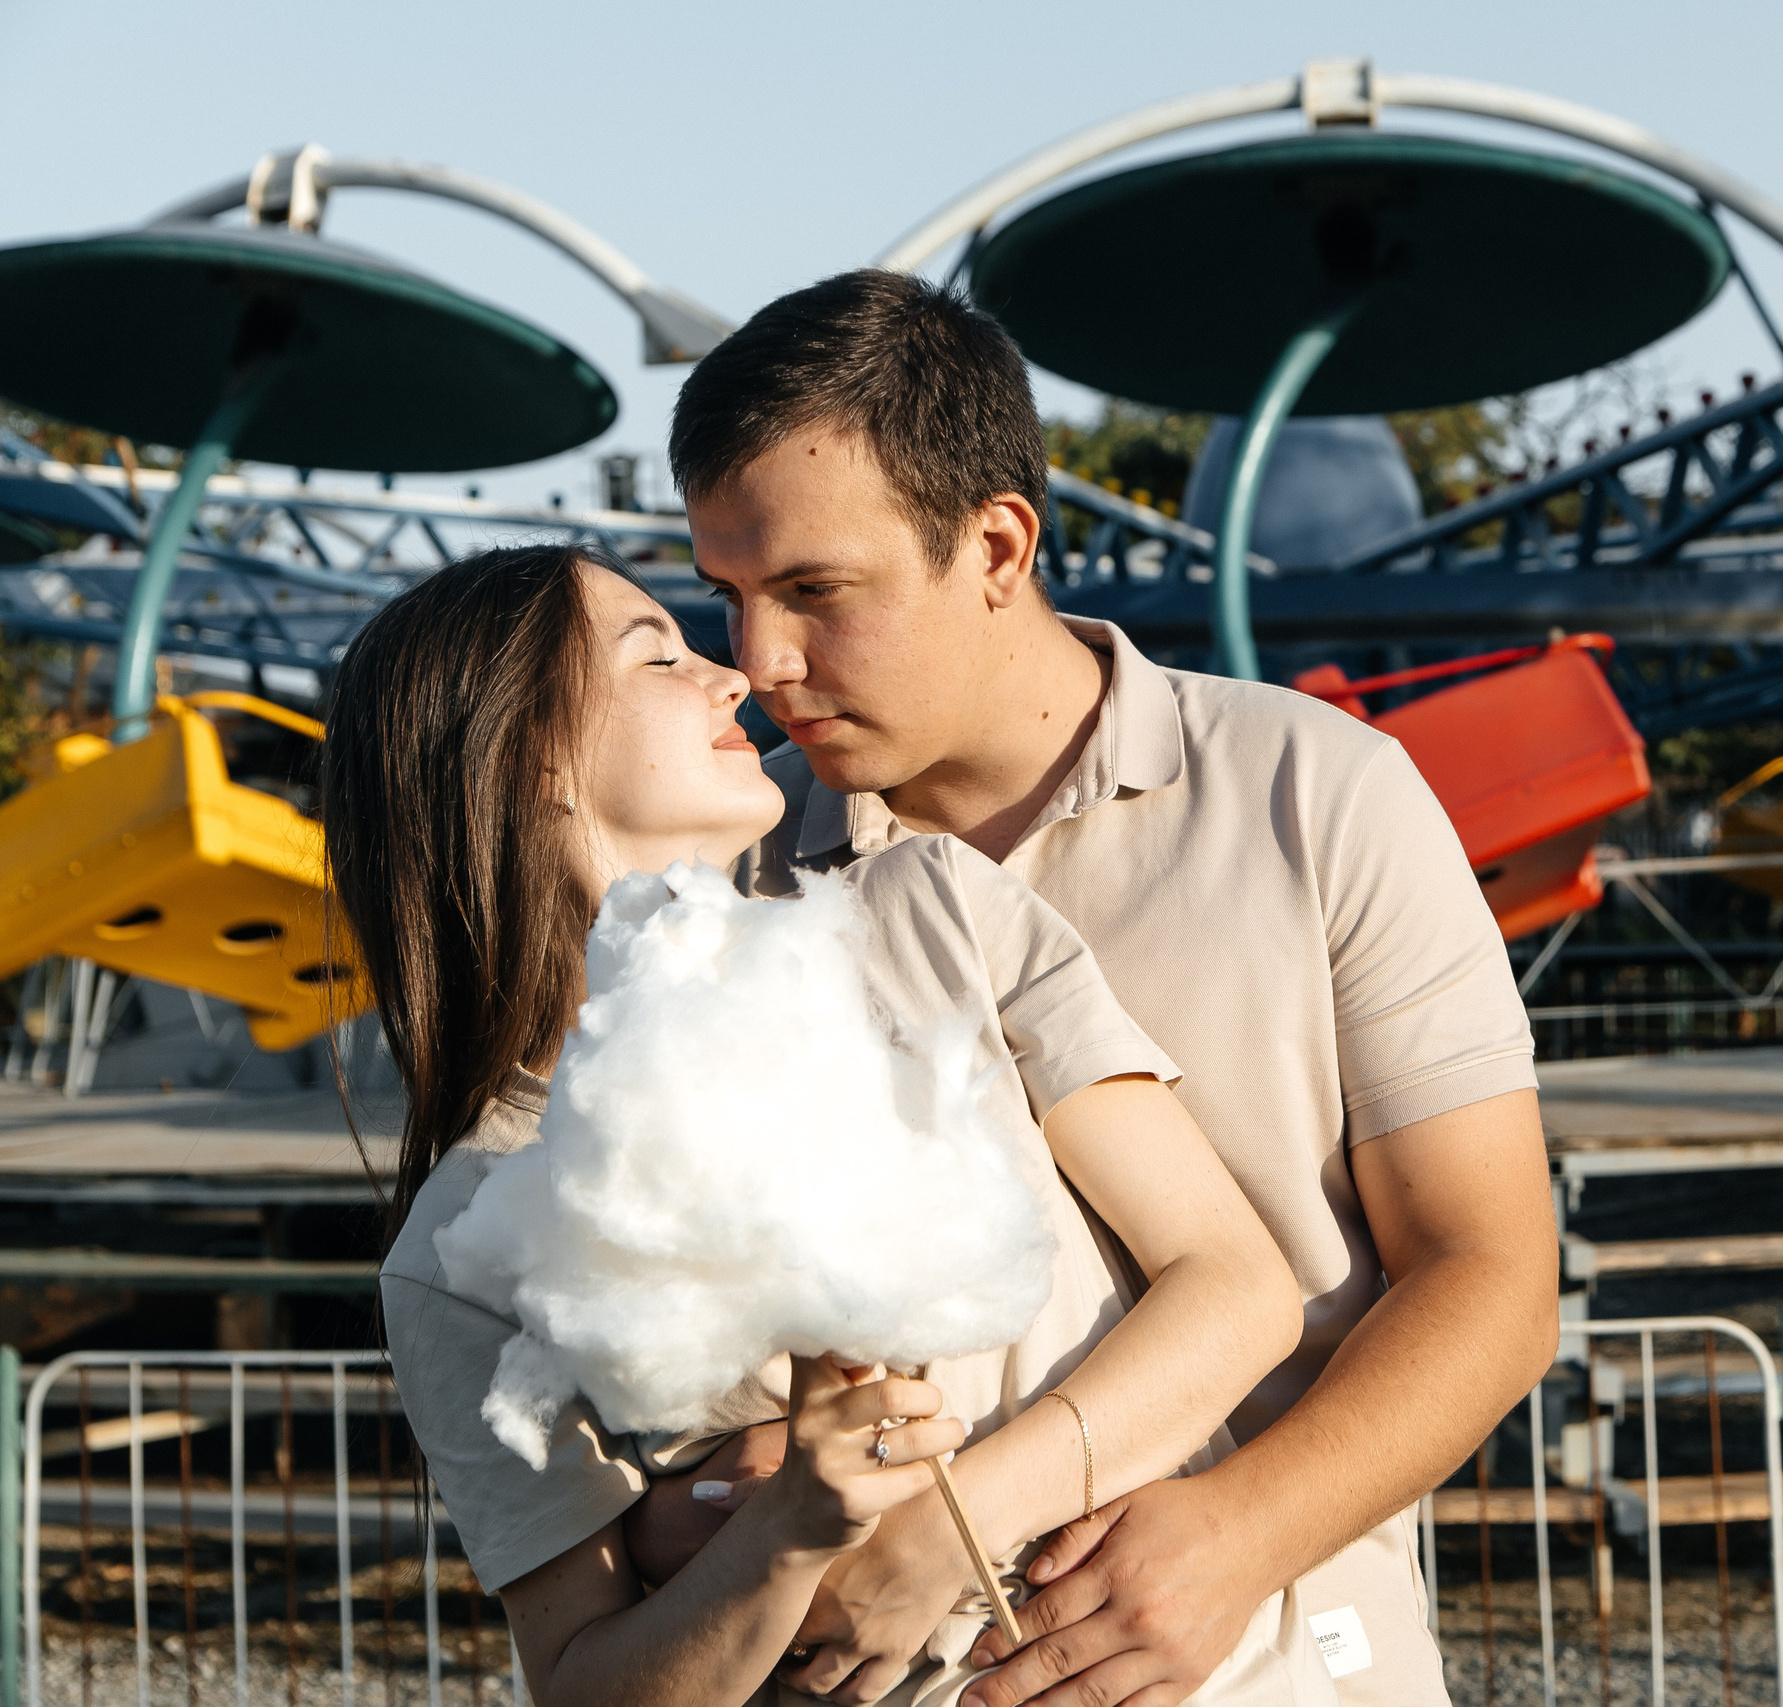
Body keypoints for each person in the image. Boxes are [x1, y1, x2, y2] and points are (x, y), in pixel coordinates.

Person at [679, 270, 1559, 1707]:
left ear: (997, 544)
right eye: (728, 598)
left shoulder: (1315, 791)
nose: (759, 662)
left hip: (1289, 1659)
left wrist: (1241, 1532)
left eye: (814, 591)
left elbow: (1494, 1276)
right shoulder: (730, 874)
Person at [329, 545, 1323, 1706]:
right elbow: (585, 1684)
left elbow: (1239, 1290)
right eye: (658, 658)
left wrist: (948, 1527)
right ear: (532, 762)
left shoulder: (939, 916)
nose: (732, 677)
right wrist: (788, 1528)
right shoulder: (459, 1244)